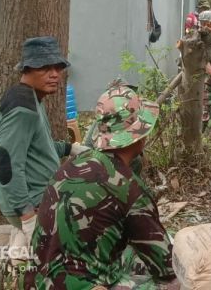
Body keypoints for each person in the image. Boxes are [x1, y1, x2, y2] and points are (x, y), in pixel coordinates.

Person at [27, 83, 178, 289]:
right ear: (140, 136)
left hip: (34, 280)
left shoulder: (73, 164)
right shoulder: (130, 190)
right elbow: (167, 267)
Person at [0, 36, 89, 257]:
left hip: (37, 199)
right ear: (27, 69)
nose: (54, 74)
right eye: (45, 68)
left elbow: (37, 150)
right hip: (32, 204)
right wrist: (27, 217)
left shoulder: (32, 97)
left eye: (57, 67)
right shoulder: (22, 107)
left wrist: (69, 149)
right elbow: (7, 163)